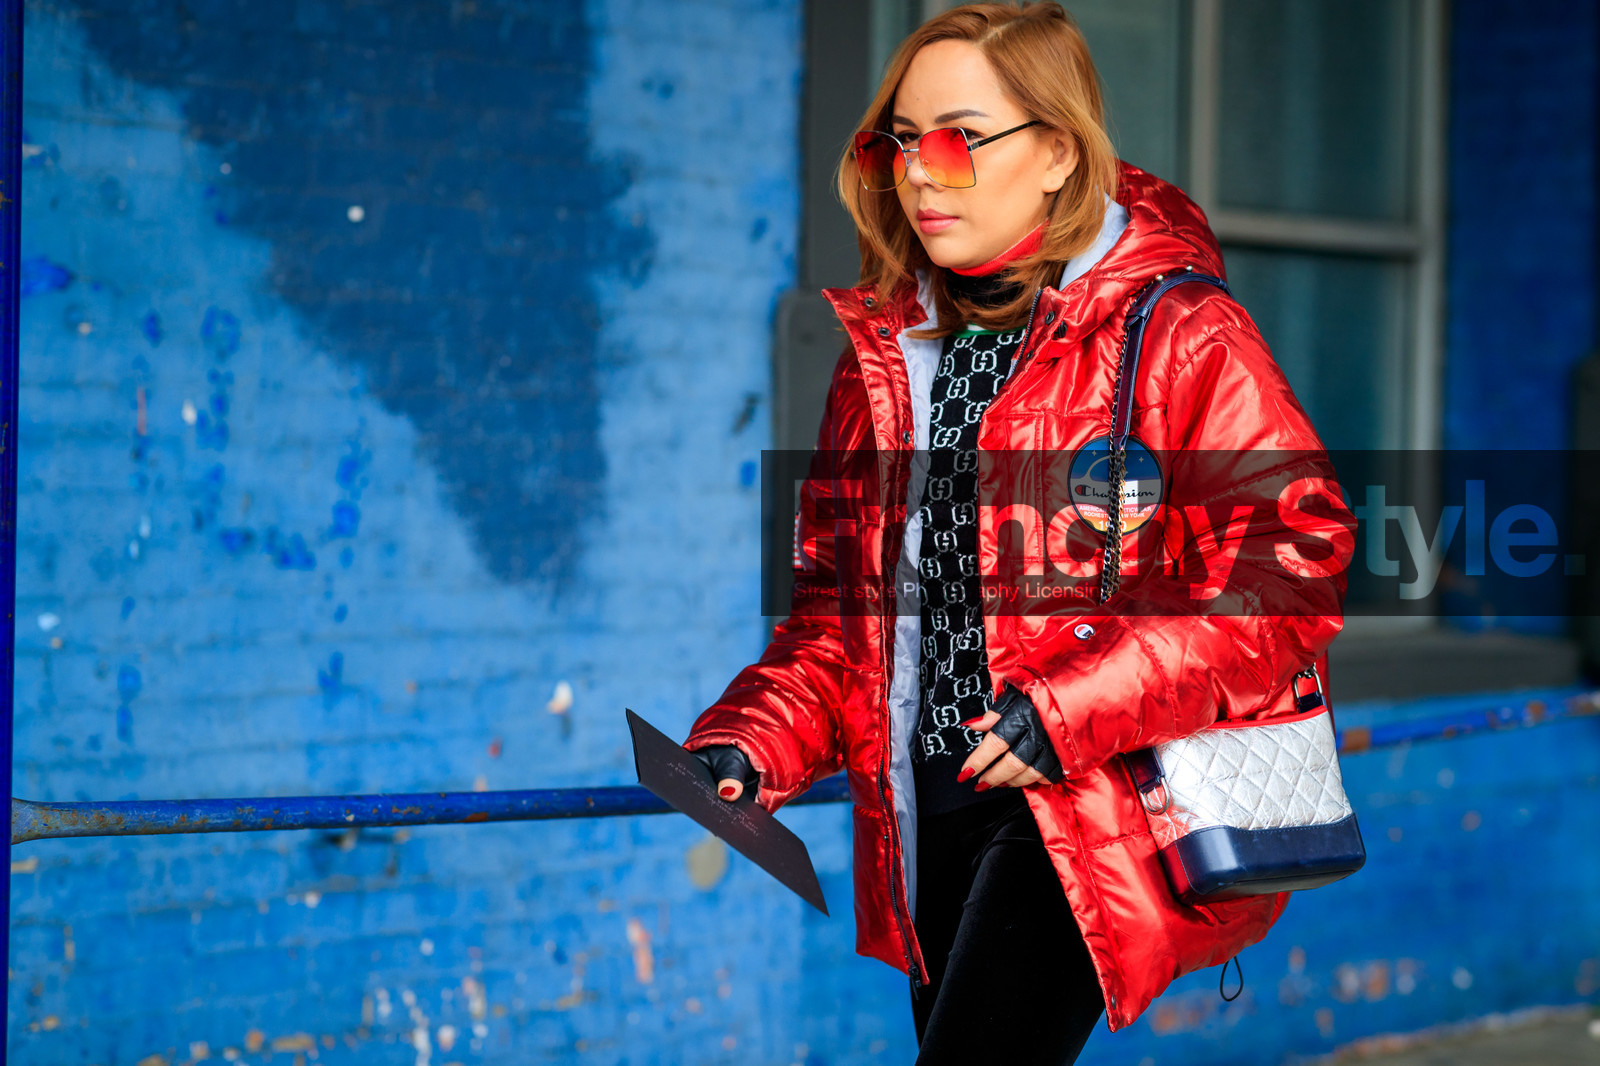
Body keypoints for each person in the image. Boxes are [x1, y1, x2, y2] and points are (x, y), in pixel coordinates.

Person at [684, 3, 1352, 1062]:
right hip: (926, 806)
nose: (919, 172)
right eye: (896, 141)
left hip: (1081, 803)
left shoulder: (1175, 329)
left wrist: (1071, 707)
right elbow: (838, 615)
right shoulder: (886, 361)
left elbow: (1292, 559)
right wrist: (752, 738)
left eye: (957, 138)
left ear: (1054, 153)